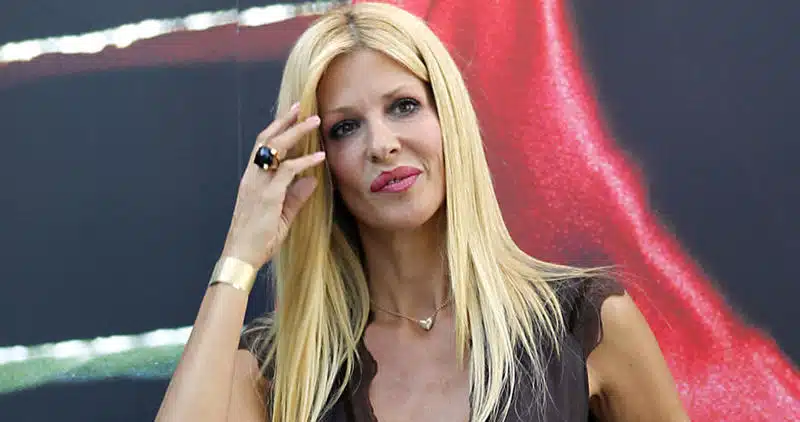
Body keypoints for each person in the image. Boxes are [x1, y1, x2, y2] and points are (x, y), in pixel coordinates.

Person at [156, 2, 688, 421]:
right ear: (321, 161)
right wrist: (241, 253)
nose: (382, 145)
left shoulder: (579, 321)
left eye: (403, 106)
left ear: (447, 117)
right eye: (345, 127)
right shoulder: (280, 365)